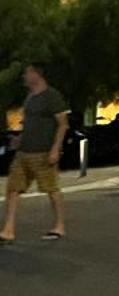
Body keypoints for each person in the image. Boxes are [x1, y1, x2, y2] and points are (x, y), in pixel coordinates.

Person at [2, 65, 69, 243]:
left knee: (51, 188)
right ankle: (8, 229)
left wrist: (55, 148)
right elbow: (29, 124)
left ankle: (59, 225)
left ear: (36, 74)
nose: (24, 76)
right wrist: (19, 140)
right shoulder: (30, 97)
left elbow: (63, 124)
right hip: (24, 152)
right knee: (13, 189)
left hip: (43, 151)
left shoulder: (51, 96)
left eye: (27, 73)